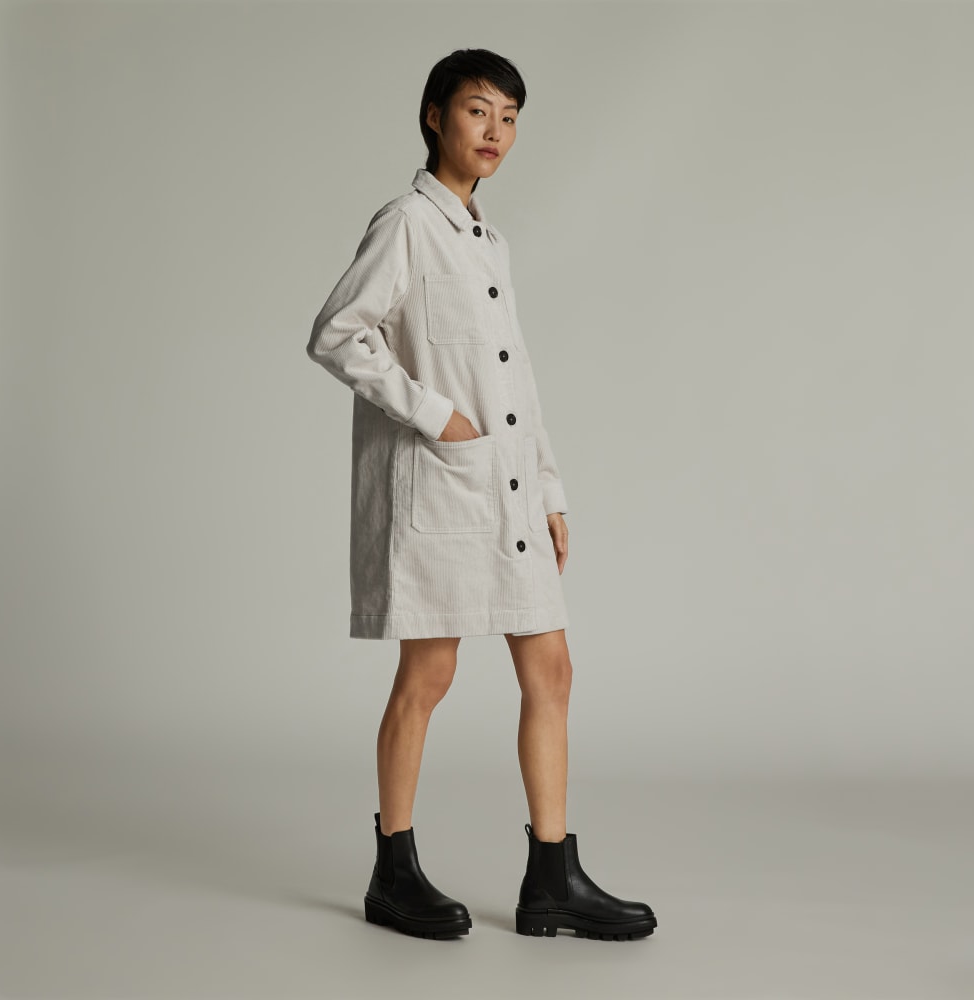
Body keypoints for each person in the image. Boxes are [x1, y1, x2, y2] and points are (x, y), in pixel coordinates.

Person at [306, 48, 656, 941]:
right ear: (435, 116)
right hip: (443, 486)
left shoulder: (489, 241)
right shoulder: (406, 224)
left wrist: (549, 488)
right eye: (477, 111)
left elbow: (516, 382)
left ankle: (552, 879)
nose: (495, 131)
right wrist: (436, 416)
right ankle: (393, 871)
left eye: (509, 117)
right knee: (429, 675)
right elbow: (338, 333)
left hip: (508, 492)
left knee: (553, 670)